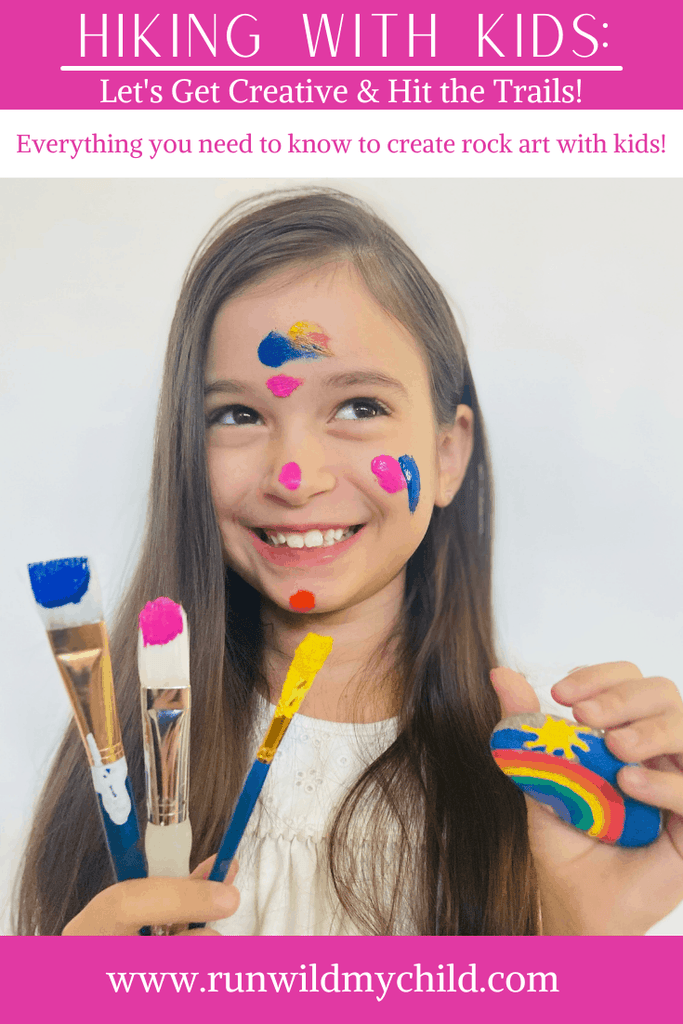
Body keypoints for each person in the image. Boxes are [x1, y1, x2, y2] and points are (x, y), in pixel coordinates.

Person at [13, 188, 683, 936]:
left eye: (359, 406)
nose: (294, 476)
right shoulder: (112, 790)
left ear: (448, 451)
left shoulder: (549, 792)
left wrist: (587, 940)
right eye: (237, 415)